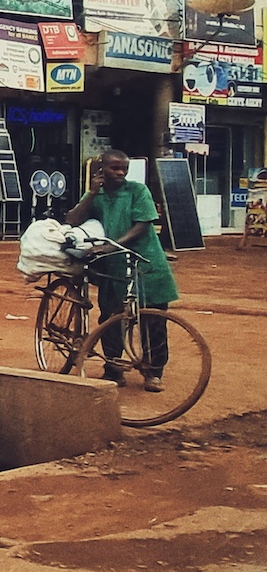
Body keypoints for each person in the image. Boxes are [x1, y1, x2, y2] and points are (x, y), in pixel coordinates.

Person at [64, 149, 177, 393]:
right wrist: (92, 194)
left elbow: (142, 225)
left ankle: (153, 372)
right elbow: (71, 220)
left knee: (153, 320)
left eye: (124, 168)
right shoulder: (97, 195)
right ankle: (114, 368)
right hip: (114, 266)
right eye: (115, 168)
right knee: (110, 318)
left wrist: (110, 245)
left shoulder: (138, 191)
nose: (121, 173)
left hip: (146, 262)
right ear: (101, 168)